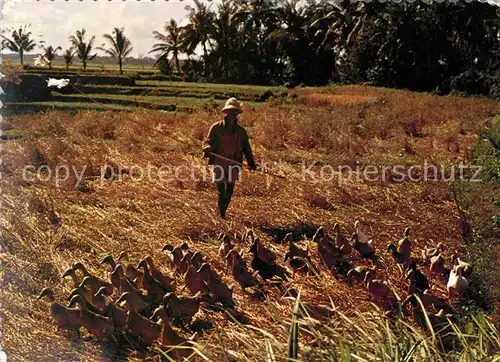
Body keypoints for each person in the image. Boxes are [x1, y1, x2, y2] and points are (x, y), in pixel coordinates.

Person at [203, 98, 257, 218]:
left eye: (235, 111)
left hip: (234, 163)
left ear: (237, 113)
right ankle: (220, 215)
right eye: (230, 111)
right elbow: (208, 141)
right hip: (219, 162)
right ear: (226, 112)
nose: (232, 114)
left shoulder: (241, 132)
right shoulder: (216, 127)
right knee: (222, 191)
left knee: (229, 192)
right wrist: (207, 148)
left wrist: (251, 163)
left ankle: (222, 213)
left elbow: (247, 149)